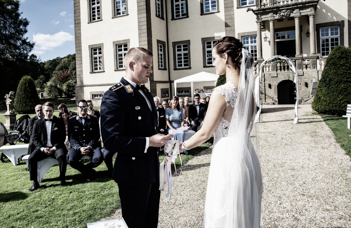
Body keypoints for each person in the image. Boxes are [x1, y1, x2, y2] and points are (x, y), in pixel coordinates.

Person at [179, 36, 263, 227]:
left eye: (214, 58)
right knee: (243, 214)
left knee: (223, 212)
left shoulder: (222, 92)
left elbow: (204, 133)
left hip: (227, 158)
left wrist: (179, 146)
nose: (213, 63)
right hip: (246, 154)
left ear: (226, 57)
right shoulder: (249, 91)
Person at [101, 46, 173, 228]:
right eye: (146, 66)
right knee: (135, 224)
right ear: (132, 65)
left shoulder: (145, 92)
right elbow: (110, 140)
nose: (151, 70)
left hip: (150, 170)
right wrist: (149, 142)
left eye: (151, 66)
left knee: (150, 223)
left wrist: (161, 139)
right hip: (132, 174)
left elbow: (147, 128)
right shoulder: (115, 96)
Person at [28, 102, 67, 191]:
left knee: (62, 156)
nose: (48, 113)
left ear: (53, 110)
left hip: (56, 147)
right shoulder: (37, 123)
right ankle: (35, 182)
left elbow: (62, 137)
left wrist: (54, 148)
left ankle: (62, 179)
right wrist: (42, 148)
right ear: (43, 110)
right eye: (46, 111)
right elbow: (34, 138)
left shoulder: (59, 121)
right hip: (42, 148)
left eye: (50, 111)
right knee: (31, 158)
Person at [68, 100, 103, 180]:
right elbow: (71, 137)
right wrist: (79, 148)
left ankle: (86, 170)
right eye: (81, 107)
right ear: (77, 108)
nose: (83, 109)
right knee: (71, 160)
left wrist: (89, 146)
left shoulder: (93, 119)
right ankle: (89, 172)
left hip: (91, 145)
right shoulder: (72, 120)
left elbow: (96, 135)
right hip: (78, 145)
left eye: (85, 107)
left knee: (99, 158)